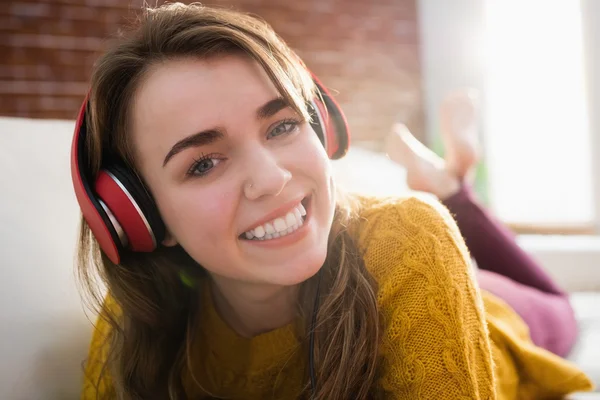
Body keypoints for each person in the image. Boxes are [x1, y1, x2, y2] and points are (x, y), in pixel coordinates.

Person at [75, 3, 593, 399]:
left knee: (559, 306)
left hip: (499, 313)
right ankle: (450, 182)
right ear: (139, 217)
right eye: (204, 163)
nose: (272, 179)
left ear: (320, 125)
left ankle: (455, 192)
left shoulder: (410, 235)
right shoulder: (139, 319)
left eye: (281, 125)